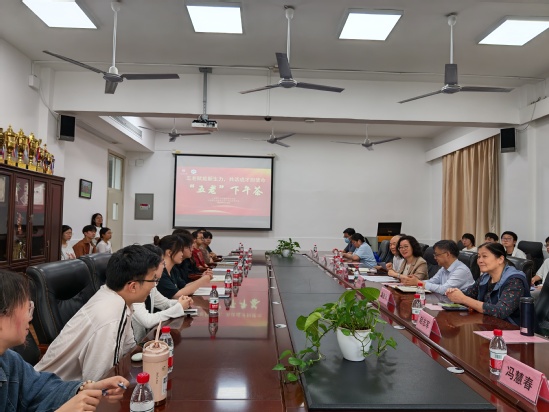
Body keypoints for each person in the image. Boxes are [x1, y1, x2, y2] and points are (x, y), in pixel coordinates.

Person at [0, 270, 129, 411]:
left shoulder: (9, 359)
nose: (30, 317)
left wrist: (88, 387)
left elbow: (41, 388)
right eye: (27, 308)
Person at [35, 245, 161, 381]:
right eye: (153, 280)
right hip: (51, 389)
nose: (154, 285)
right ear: (133, 286)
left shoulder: (116, 299)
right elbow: (98, 380)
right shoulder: (111, 315)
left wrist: (147, 349)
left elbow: (128, 349)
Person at [446, 242, 530, 325]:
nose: (479, 261)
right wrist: (455, 294)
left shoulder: (514, 280)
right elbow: (469, 294)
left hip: (512, 328)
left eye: (484, 256)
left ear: (500, 259)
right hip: (488, 324)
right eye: (479, 257)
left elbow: (500, 311)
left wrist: (463, 299)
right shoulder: (485, 277)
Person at [132, 244, 193, 342]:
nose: (164, 266)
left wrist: (181, 302)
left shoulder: (152, 282)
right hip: (137, 344)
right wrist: (179, 307)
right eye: (162, 262)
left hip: (146, 340)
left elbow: (164, 303)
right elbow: (147, 321)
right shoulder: (134, 286)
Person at [401, 240, 474, 293]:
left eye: (437, 255)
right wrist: (412, 281)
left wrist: (418, 283)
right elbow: (432, 281)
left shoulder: (461, 270)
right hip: (445, 302)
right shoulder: (444, 268)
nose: (435, 257)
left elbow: (444, 289)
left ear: (447, 254)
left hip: (460, 307)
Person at [156, 235, 213, 299]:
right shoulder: (160, 272)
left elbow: (184, 286)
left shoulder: (173, 269)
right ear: (169, 252)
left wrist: (202, 278)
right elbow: (176, 295)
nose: (182, 254)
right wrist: (202, 280)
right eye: (180, 251)